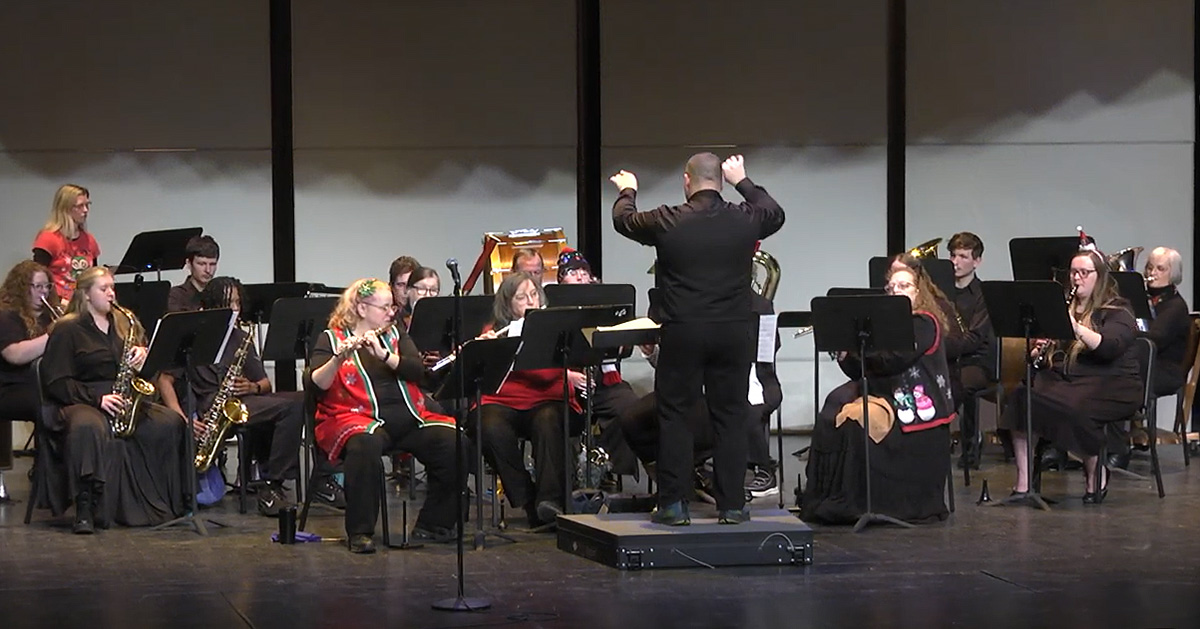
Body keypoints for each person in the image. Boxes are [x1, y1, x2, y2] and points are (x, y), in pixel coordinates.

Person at [611, 153, 785, 525]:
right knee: (731, 415)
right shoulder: (745, 217)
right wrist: (744, 180)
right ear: (720, 181)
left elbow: (622, 220)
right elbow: (775, 212)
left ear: (686, 181)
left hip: (684, 331)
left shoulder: (668, 219)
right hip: (734, 332)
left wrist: (628, 190)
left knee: (675, 415)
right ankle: (733, 505)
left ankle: (674, 505)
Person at [309, 278, 462, 553]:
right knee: (364, 445)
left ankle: (434, 524)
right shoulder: (331, 338)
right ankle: (360, 532)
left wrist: (384, 356)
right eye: (384, 307)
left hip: (408, 417)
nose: (391, 312)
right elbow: (316, 384)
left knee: (454, 442)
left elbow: (420, 374)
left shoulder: (395, 335)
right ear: (361, 308)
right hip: (358, 418)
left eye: (392, 306)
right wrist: (337, 359)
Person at [40, 266, 189, 533]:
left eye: (112, 287)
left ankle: (167, 501)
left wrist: (144, 355)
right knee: (87, 427)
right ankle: (85, 508)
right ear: (86, 295)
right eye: (104, 288)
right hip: (81, 399)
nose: (111, 294)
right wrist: (98, 399)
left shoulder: (124, 323)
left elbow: (145, 372)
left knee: (170, 422)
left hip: (124, 397)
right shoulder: (67, 329)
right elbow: (56, 382)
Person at [801, 267, 955, 524]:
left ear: (919, 291)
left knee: (857, 422)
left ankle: (859, 502)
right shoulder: (888, 325)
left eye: (904, 286)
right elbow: (860, 371)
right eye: (892, 287)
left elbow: (892, 361)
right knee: (832, 412)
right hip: (885, 396)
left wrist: (856, 348)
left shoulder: (924, 322)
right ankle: (825, 497)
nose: (896, 291)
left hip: (914, 407)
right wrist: (845, 352)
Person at [999, 250, 1142, 504]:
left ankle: (1096, 471)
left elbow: (1110, 347)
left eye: (1084, 273)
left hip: (1112, 381)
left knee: (1074, 408)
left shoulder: (1118, 309)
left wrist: (1075, 328)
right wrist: (1037, 351)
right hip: (1069, 379)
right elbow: (1047, 360)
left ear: (1100, 277)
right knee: (1022, 397)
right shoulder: (1062, 307)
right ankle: (1023, 485)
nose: (1077, 278)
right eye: (1074, 273)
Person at [157, 277, 305, 516]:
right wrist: (182, 418)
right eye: (229, 303)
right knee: (289, 408)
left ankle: (272, 483)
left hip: (242, 403)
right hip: (210, 406)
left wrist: (252, 387)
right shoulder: (194, 336)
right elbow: (165, 380)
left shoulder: (240, 337)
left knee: (297, 403)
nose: (235, 309)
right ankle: (270, 483)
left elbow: (265, 384)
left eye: (237, 303)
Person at [476, 271, 584, 527]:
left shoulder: (553, 328)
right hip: (504, 400)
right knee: (488, 425)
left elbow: (548, 376)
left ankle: (550, 500)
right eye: (522, 297)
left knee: (548, 420)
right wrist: (487, 350)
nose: (531, 302)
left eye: (534, 294)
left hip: (547, 397)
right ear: (508, 304)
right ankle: (527, 498)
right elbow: (487, 377)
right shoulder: (495, 330)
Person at [0, 261, 55, 494]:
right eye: (38, 286)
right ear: (23, 288)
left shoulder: (47, 317)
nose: (44, 291)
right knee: (52, 406)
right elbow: (15, 355)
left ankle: (55, 475)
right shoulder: (7, 317)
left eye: (47, 286)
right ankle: (48, 475)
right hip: (9, 389)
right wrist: (54, 334)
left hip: (39, 384)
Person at [945, 232, 998, 469]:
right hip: (949, 357)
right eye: (954, 255)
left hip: (977, 360)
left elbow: (976, 338)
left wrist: (942, 346)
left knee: (961, 385)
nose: (956, 262)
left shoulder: (983, 294)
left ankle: (970, 442)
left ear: (977, 261)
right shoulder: (942, 292)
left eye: (964, 256)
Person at [32, 184, 100, 303]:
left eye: (87, 205)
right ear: (65, 208)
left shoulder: (89, 240)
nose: (85, 210)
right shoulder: (48, 239)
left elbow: (92, 278)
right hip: (57, 305)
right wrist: (57, 301)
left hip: (83, 305)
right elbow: (37, 282)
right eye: (80, 206)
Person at [166, 235, 220, 313]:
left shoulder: (220, 295)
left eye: (212, 264)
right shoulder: (176, 296)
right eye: (201, 264)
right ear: (188, 263)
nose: (208, 270)